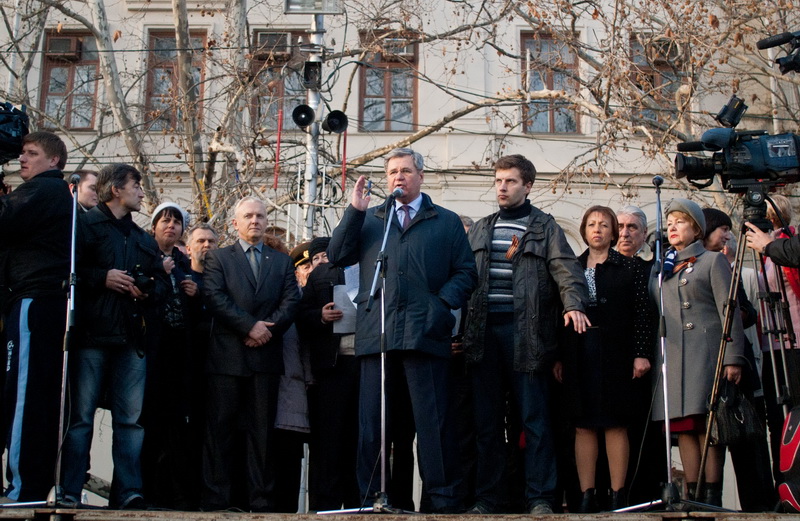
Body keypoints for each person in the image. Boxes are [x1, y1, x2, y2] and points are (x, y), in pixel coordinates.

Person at [327, 147, 477, 513]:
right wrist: (354, 211)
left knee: (433, 425)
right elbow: (336, 255)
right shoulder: (373, 219)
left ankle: (442, 500)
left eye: (406, 171)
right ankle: (371, 498)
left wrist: (440, 305)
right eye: (392, 171)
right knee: (373, 426)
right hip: (376, 336)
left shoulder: (444, 220)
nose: (398, 177)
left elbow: (466, 272)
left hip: (425, 336)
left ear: (420, 176)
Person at [463, 154, 590, 515]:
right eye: (499, 180)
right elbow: (462, 278)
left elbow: (566, 271)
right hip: (482, 334)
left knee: (534, 420)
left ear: (528, 185)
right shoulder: (482, 227)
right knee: (486, 424)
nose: (502, 187)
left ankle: (540, 497)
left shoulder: (544, 227)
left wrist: (574, 304)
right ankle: (487, 498)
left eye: (511, 181)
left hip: (527, 335)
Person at [62, 163, 166, 509]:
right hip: (91, 336)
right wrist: (101, 277)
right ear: (116, 190)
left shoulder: (141, 238)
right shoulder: (85, 226)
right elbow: (68, 270)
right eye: (136, 185)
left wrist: (148, 288)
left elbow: (161, 285)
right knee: (81, 418)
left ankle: (128, 492)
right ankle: (69, 488)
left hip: (131, 340)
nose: (141, 192)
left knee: (130, 422)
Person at [201, 196, 300, 512]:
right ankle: (217, 499)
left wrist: (266, 331)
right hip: (228, 358)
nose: (255, 221)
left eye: (260, 216)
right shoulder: (218, 258)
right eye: (248, 216)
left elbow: (291, 302)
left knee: (263, 436)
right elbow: (215, 298)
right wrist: (249, 327)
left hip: (265, 359)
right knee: (221, 432)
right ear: (235, 223)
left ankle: (261, 501)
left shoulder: (281, 262)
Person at [555, 206, 653, 512]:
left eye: (605, 225)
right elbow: (556, 315)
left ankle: (617, 494)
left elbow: (642, 314)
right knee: (583, 424)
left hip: (617, 352)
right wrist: (559, 357)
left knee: (615, 423)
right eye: (592, 224)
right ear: (584, 230)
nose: (598, 229)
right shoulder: (570, 266)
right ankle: (586, 495)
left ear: (613, 232)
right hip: (579, 352)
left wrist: (641, 353)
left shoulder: (630, 267)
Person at [653, 198, 746, 506]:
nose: (673, 227)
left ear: (695, 229)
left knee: (709, 425)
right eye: (670, 224)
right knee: (685, 427)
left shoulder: (712, 260)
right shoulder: (662, 267)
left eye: (680, 222)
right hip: (675, 358)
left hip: (706, 355)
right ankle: (692, 493)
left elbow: (729, 311)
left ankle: (712, 492)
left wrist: (732, 358)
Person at [0, 131, 71, 501]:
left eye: (31, 153)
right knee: (34, 396)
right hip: (41, 302)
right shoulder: (51, 193)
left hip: (34, 301)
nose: (22, 159)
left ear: (54, 161)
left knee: (24, 396)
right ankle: (29, 484)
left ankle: (22, 488)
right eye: (21, 153)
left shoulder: (43, 190)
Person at [141, 202, 201, 509]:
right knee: (149, 422)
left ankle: (175, 494)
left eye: (176, 222)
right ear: (153, 227)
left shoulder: (184, 262)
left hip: (180, 351)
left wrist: (195, 294)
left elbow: (197, 306)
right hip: (150, 350)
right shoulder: (145, 254)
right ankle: (145, 490)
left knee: (178, 426)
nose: (171, 226)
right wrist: (157, 274)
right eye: (165, 221)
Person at [297, 235, 361, 511]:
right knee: (329, 442)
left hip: (367, 365)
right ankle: (325, 506)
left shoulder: (373, 268)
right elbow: (302, 315)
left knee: (362, 441)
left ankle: (360, 504)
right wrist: (320, 317)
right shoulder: (321, 273)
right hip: (332, 367)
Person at [745, 194, 800, 485]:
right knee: (776, 419)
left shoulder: (786, 244)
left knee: (793, 415)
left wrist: (769, 245)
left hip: (793, 343)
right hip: (770, 345)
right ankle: (782, 483)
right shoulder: (762, 250)